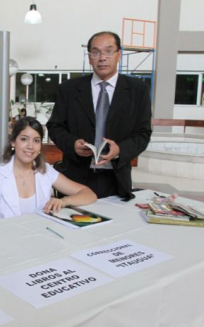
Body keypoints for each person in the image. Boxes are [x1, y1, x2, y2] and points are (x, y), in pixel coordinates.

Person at [46, 31, 152, 200]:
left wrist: (120, 150)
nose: (102, 57)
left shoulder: (137, 90)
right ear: (89, 57)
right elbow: (54, 126)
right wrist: (72, 144)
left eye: (108, 51)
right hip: (76, 178)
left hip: (116, 178)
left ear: (119, 54)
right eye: (95, 52)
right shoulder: (68, 89)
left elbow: (143, 133)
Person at [0, 117, 96, 223]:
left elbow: (89, 194)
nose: (30, 146)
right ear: (13, 142)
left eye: (36, 141)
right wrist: (2, 234)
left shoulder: (45, 170)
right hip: (2, 241)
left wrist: (64, 201)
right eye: (24, 139)